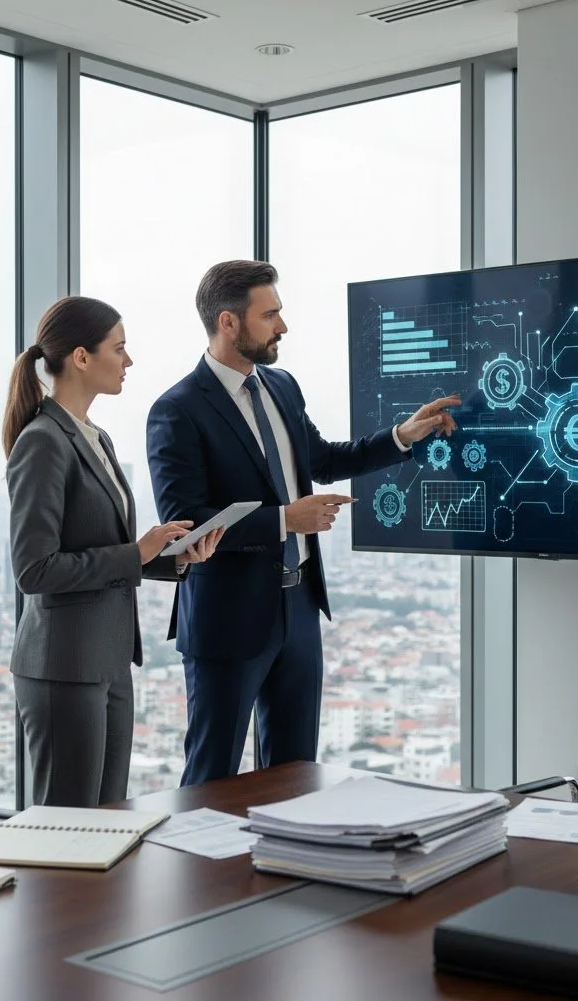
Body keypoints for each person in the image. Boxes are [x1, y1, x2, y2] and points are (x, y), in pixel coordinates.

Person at [147, 260, 459, 785]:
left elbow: (324, 459)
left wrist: (403, 436)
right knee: (210, 775)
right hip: (228, 618)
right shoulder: (176, 410)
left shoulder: (282, 386)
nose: (283, 327)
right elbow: (185, 525)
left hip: (298, 607)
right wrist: (285, 520)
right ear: (228, 322)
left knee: (294, 776)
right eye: (270, 316)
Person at [2, 295, 222, 807]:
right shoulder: (43, 441)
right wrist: (136, 552)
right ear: (81, 357)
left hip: (109, 660)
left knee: (105, 823)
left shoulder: (95, 437)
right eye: (119, 349)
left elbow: (108, 551)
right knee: (65, 830)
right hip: (63, 665)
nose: (129, 361)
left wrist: (173, 557)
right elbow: (34, 570)